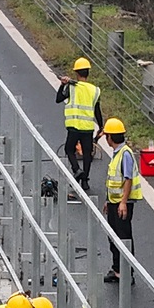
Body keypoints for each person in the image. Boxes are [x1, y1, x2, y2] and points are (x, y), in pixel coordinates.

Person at [102, 118, 141, 284]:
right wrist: (108, 201)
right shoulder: (118, 153)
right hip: (114, 202)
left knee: (123, 238)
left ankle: (126, 273)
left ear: (110, 137)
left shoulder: (125, 154)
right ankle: (118, 269)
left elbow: (128, 179)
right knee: (113, 237)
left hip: (121, 204)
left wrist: (123, 202)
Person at [55, 59, 101, 190]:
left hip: (74, 126)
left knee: (69, 149)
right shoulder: (95, 90)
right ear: (88, 73)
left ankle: (76, 169)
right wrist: (101, 127)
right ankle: (85, 181)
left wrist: (62, 84)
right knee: (87, 154)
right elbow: (97, 110)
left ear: (76, 73)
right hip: (88, 127)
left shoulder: (72, 87)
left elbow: (58, 99)